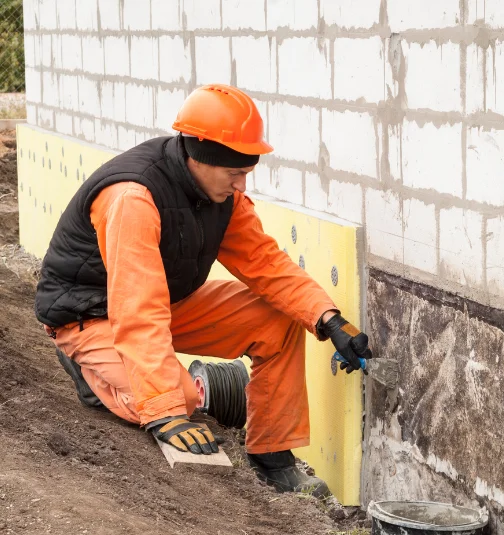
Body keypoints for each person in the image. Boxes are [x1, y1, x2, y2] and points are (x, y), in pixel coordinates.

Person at [33, 84, 371, 499]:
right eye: (236, 173)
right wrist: (168, 413)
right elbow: (136, 308)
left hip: (164, 302)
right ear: (203, 156)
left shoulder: (220, 194)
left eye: (246, 173)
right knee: (176, 402)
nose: (241, 184)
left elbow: (265, 263)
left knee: (279, 322)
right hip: (90, 314)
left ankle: (272, 458)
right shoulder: (133, 197)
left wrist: (327, 318)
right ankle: (91, 371)